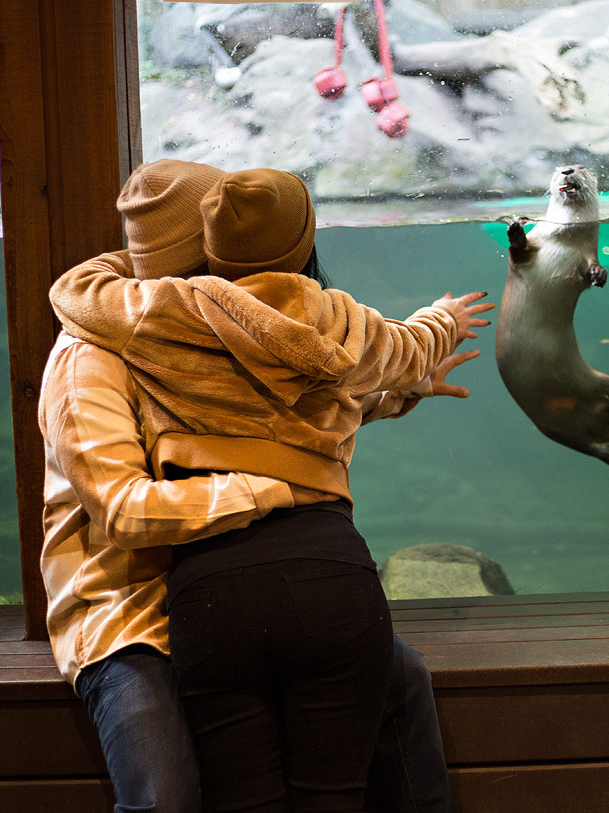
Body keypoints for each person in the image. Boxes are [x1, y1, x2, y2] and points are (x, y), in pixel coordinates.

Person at [44, 160, 491, 811]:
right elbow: (122, 509)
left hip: (213, 584)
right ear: (205, 262)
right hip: (128, 609)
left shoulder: (203, 323)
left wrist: (396, 395)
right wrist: (271, 490)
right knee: (165, 796)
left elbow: (256, 408)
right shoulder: (94, 352)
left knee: (404, 681)